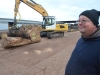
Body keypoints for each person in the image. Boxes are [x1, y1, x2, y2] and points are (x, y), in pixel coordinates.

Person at [65, 9, 100, 75]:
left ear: (94, 24)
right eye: (79, 21)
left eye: (84, 20)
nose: (80, 23)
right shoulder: (81, 40)